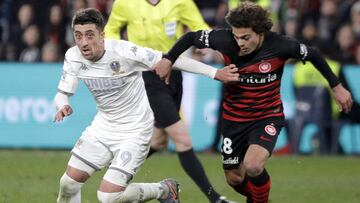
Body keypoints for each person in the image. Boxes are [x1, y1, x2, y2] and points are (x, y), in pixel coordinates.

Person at [153, 2, 354, 202]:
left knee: (253, 165)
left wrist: (336, 86)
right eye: (236, 36)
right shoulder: (223, 39)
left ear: (260, 33)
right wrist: (168, 59)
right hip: (233, 119)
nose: (240, 42)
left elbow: (313, 54)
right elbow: (190, 37)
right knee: (234, 178)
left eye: (246, 37)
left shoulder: (281, 45)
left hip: (267, 116)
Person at [54, 8, 239, 203]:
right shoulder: (73, 56)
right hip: (103, 126)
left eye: (90, 35)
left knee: (108, 197)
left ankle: (164, 190)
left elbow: (172, 60)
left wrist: (214, 73)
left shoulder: (124, 51)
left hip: (135, 131)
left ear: (102, 35)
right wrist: (62, 105)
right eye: (78, 35)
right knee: (68, 183)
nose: (83, 42)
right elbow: (62, 93)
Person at [105, 1, 237, 203]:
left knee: (158, 140)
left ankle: (115, 172)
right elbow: (111, 32)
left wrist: (207, 46)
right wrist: (119, 57)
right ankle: (215, 198)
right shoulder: (125, 3)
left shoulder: (181, 1)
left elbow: (198, 24)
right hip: (146, 77)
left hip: (174, 74)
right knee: (182, 139)